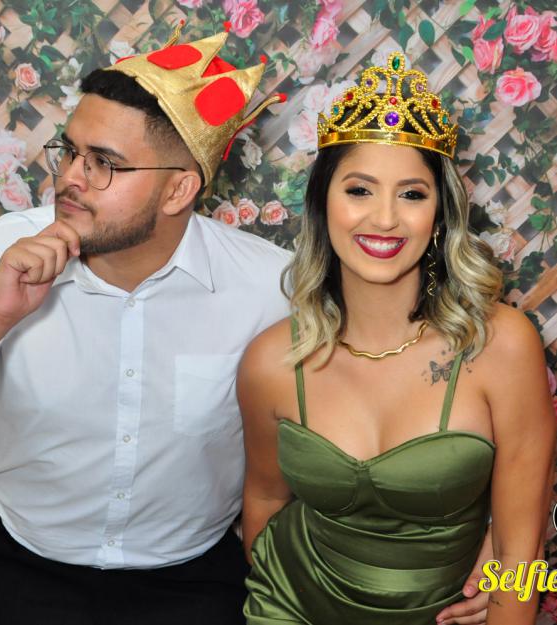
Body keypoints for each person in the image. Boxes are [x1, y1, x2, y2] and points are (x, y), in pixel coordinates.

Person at [0, 25, 290, 625]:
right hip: (25, 575)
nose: (71, 177)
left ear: (179, 189)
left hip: (196, 584)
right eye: (70, 152)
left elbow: (359, 451)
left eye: (105, 163)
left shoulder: (272, 288)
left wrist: (474, 569)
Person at [239, 53, 555, 625]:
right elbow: (264, 501)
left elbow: (522, 547)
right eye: (359, 190)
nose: (384, 218)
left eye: (411, 194)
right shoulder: (271, 360)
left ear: (440, 215)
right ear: (323, 203)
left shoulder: (500, 346)